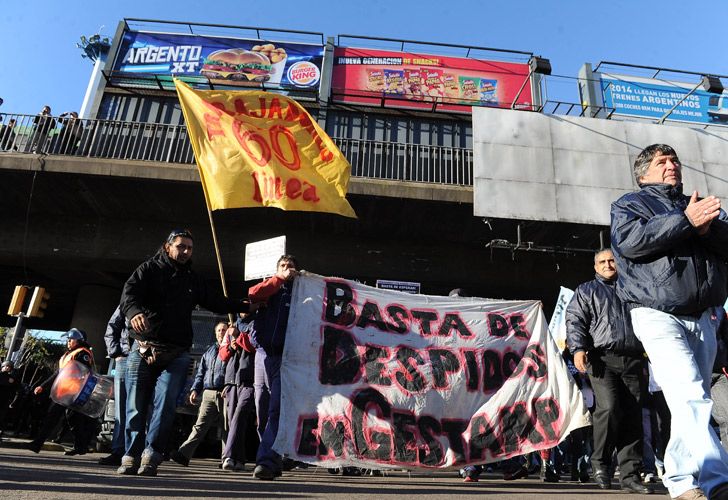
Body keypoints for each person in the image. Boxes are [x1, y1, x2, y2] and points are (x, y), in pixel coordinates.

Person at [610, 143, 728, 500]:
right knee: (690, 393)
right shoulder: (630, 205)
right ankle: (717, 479)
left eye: (674, 160)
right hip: (656, 314)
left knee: (688, 400)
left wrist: (708, 230)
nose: (671, 165)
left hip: (703, 316)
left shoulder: (695, 205)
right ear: (643, 173)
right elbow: (632, 242)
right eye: (662, 161)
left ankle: (680, 480)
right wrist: (685, 222)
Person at [118, 228, 254, 476]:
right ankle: (130, 454)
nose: (185, 252)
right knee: (136, 405)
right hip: (144, 348)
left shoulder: (192, 279)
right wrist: (134, 313)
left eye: (189, 248)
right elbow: (128, 296)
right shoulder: (148, 270)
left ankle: (151, 454)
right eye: (181, 246)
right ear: (167, 246)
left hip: (177, 353)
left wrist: (246, 304)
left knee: (166, 403)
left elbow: (216, 301)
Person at [565, 249, 652, 494]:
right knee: (610, 407)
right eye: (602, 261)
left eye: (612, 260)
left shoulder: (634, 287)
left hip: (634, 359)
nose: (608, 264)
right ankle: (600, 463)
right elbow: (575, 320)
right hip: (601, 359)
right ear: (595, 266)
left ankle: (630, 475)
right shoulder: (586, 290)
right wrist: (578, 348)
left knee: (633, 416)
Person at [249, 254, 298, 480]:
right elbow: (253, 295)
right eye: (283, 266)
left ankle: (266, 460)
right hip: (262, 355)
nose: (287, 269)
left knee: (275, 409)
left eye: (290, 267)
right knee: (261, 407)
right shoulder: (270, 286)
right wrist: (278, 279)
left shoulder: (301, 293)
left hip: (284, 359)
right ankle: (273, 455)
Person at [28, 328, 97, 456]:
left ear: (79, 340)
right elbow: (58, 373)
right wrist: (43, 386)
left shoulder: (83, 354)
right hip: (63, 391)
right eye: (68, 339)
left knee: (52, 416)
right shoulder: (69, 354)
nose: (68, 342)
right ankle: (81, 447)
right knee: (73, 419)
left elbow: (83, 372)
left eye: (71, 339)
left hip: (71, 392)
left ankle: (37, 444)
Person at [170, 322, 228, 468]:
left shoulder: (232, 350)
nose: (221, 332)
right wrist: (195, 389)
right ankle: (184, 454)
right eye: (219, 330)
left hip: (225, 393)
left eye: (224, 330)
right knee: (199, 426)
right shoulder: (208, 352)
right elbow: (201, 373)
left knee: (227, 427)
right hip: (208, 393)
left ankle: (227, 459)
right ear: (215, 333)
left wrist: (230, 386)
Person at [217, 314, 256, 471]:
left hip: (249, 378)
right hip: (232, 379)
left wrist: (239, 336)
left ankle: (228, 456)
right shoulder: (231, 327)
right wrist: (231, 346)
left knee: (239, 417)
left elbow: (254, 345)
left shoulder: (256, 323)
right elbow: (223, 355)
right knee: (233, 419)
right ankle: (238, 459)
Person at [98, 305, 132, 466]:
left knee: (147, 408)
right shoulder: (129, 298)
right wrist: (116, 353)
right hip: (125, 358)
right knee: (121, 409)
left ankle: (137, 452)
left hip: (151, 361)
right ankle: (118, 451)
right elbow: (112, 326)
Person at [0, 360, 20, 441]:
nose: (7, 368)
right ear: (2, 366)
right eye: (6, 366)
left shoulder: (11, 378)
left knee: (1, 418)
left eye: (9, 367)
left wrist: (13, 402)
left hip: (4, 401)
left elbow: (17, 390)